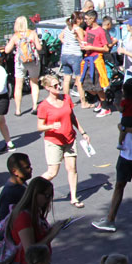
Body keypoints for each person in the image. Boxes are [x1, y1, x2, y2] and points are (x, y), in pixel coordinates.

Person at [93, 86, 132, 233]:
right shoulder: (125, 105)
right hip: (126, 154)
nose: (118, 102)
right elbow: (119, 111)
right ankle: (110, 219)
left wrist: (124, 129)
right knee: (119, 185)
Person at [36, 73, 89, 207]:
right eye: (55, 85)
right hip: (54, 142)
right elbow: (40, 127)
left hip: (69, 139)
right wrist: (51, 126)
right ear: (47, 88)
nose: (58, 86)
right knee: (52, 172)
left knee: (72, 169)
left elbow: (72, 117)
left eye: (59, 84)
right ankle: (33, 189)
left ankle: (74, 197)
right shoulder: (44, 106)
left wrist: (82, 132)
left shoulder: (66, 98)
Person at [7, 177, 65, 264]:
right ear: (35, 194)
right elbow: (31, 250)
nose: (48, 200)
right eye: (46, 195)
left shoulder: (35, 211)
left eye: (50, 196)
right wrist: (52, 234)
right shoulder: (23, 217)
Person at [3, 16, 42, 116]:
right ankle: (34, 106)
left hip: (20, 62)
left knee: (18, 85)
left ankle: (18, 110)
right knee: (34, 83)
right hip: (33, 61)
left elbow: (7, 50)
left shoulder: (15, 36)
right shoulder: (32, 33)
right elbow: (39, 47)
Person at [58, 13, 87, 105]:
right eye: (82, 19)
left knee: (67, 79)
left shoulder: (67, 28)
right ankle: (83, 102)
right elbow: (83, 43)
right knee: (79, 79)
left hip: (65, 54)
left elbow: (60, 37)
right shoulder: (78, 29)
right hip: (75, 55)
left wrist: (66, 43)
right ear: (78, 20)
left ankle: (67, 102)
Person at [0, 152, 33, 221]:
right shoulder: (9, 194)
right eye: (27, 167)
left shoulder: (22, 183)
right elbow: (4, 221)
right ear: (15, 172)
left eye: (30, 166)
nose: (31, 169)